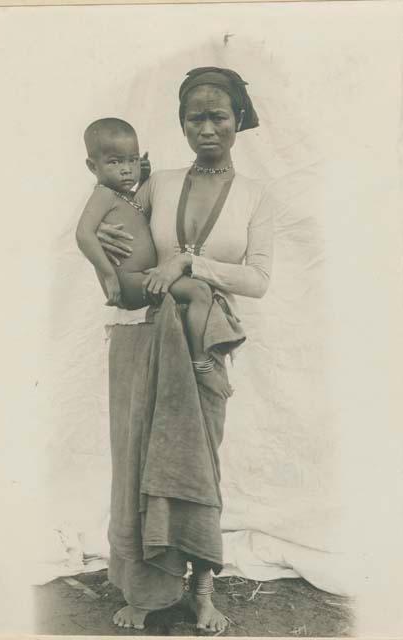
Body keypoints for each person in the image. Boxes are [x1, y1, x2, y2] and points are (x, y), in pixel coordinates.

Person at [95, 67, 275, 632]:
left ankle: (200, 592)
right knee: (135, 460)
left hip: (204, 348)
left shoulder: (254, 197)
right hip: (142, 337)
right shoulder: (159, 182)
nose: (206, 128)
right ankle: (144, 591)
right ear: (181, 122)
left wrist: (193, 262)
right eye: (194, 117)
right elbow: (125, 237)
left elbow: (259, 280)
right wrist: (106, 238)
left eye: (217, 116)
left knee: (200, 467)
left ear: (239, 120)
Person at [76, 117, 242, 395]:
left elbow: (136, 210)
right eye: (114, 163)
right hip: (128, 281)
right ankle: (201, 365)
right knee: (200, 291)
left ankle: (199, 358)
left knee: (199, 291)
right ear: (92, 166)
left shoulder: (123, 195)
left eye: (131, 160)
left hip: (142, 277)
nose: (125, 169)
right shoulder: (103, 194)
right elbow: (83, 235)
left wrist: (141, 178)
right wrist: (108, 275)